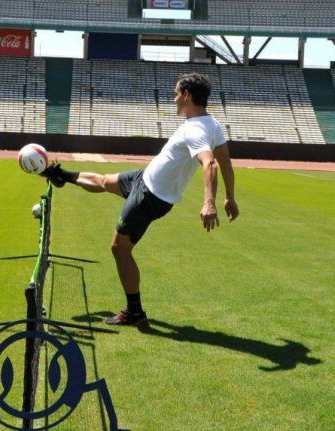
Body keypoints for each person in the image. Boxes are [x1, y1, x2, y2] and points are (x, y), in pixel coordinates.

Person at [42, 73, 240, 326]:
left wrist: (209, 202)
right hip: (144, 179)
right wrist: (230, 197)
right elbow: (226, 163)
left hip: (151, 196)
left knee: (119, 248)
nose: (174, 97)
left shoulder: (196, 129)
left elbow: (210, 163)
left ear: (187, 95)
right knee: (104, 182)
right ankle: (60, 175)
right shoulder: (211, 123)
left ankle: (134, 311)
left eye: (177, 92)